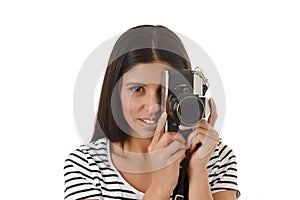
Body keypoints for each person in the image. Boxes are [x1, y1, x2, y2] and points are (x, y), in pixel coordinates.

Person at [64, 25, 240, 200]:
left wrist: (197, 170)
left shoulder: (216, 159)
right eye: (138, 89)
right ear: (115, 92)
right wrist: (160, 186)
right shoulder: (87, 164)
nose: (153, 106)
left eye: (164, 91)